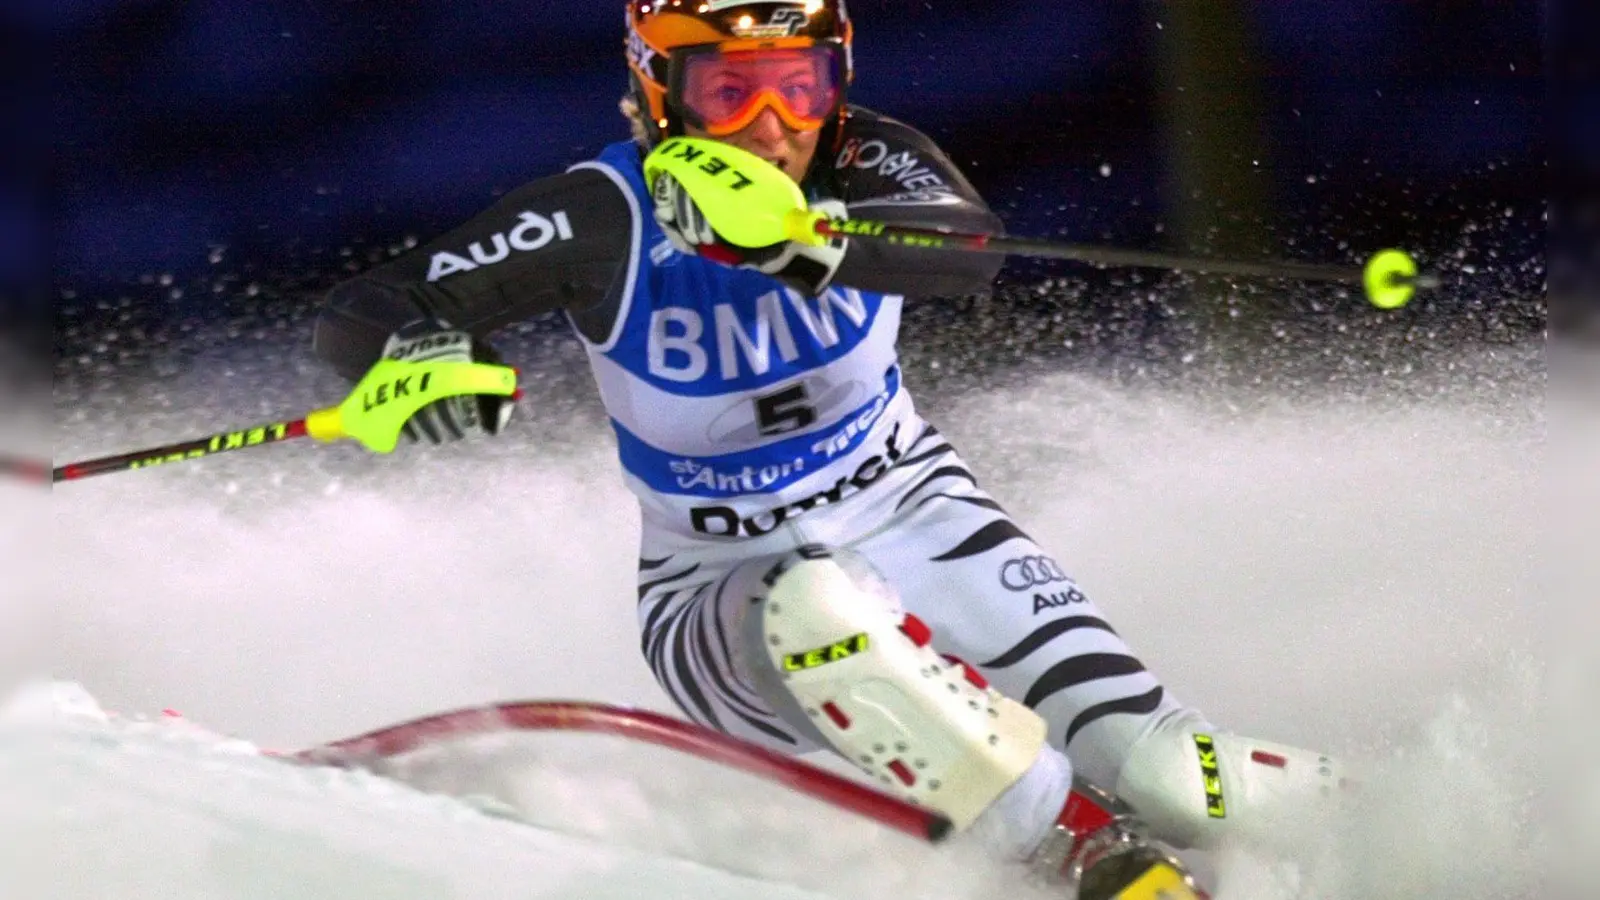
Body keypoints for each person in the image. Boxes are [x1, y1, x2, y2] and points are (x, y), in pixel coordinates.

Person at [311, 2, 1347, 896]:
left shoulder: (862, 157)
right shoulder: (602, 214)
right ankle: (1085, 858)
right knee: (819, 612)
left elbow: (967, 253)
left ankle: (1404, 822)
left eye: (799, 88)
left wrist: (806, 238)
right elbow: (367, 312)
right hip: (717, 586)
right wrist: (424, 358)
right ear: (657, 93)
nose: (771, 129)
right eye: (729, 94)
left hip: (915, 511)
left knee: (1175, 772)